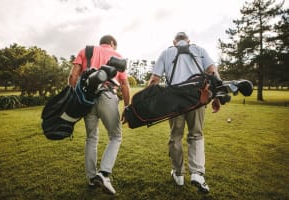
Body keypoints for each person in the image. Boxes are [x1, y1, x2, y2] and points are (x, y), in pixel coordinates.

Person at [148, 32, 221, 194]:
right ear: (188, 41)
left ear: (174, 42)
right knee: (196, 134)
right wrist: (216, 97)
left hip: (173, 101)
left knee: (176, 137)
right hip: (197, 99)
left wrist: (146, 102)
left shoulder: (166, 52)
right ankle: (197, 173)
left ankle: (178, 174)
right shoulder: (199, 50)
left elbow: (154, 80)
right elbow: (212, 72)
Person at [68, 35, 130, 195]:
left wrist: (74, 97)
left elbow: (73, 76)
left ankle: (91, 178)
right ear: (112, 43)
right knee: (115, 136)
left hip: (87, 99)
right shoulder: (117, 56)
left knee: (91, 138)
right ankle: (103, 174)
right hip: (108, 95)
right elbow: (124, 83)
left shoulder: (86, 51)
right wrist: (127, 106)